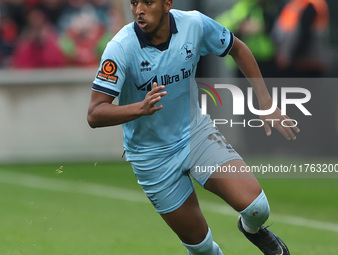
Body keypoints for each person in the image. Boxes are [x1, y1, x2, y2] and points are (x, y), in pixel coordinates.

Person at [87, 0, 299, 254]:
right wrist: (138, 109)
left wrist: (265, 103)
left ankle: (252, 229)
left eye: (148, 2)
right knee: (202, 249)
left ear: (167, 4)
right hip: (151, 158)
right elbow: (95, 113)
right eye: (134, 3)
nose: (139, 10)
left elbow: (238, 48)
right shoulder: (121, 48)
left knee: (257, 208)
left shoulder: (194, 24)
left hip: (196, 135)